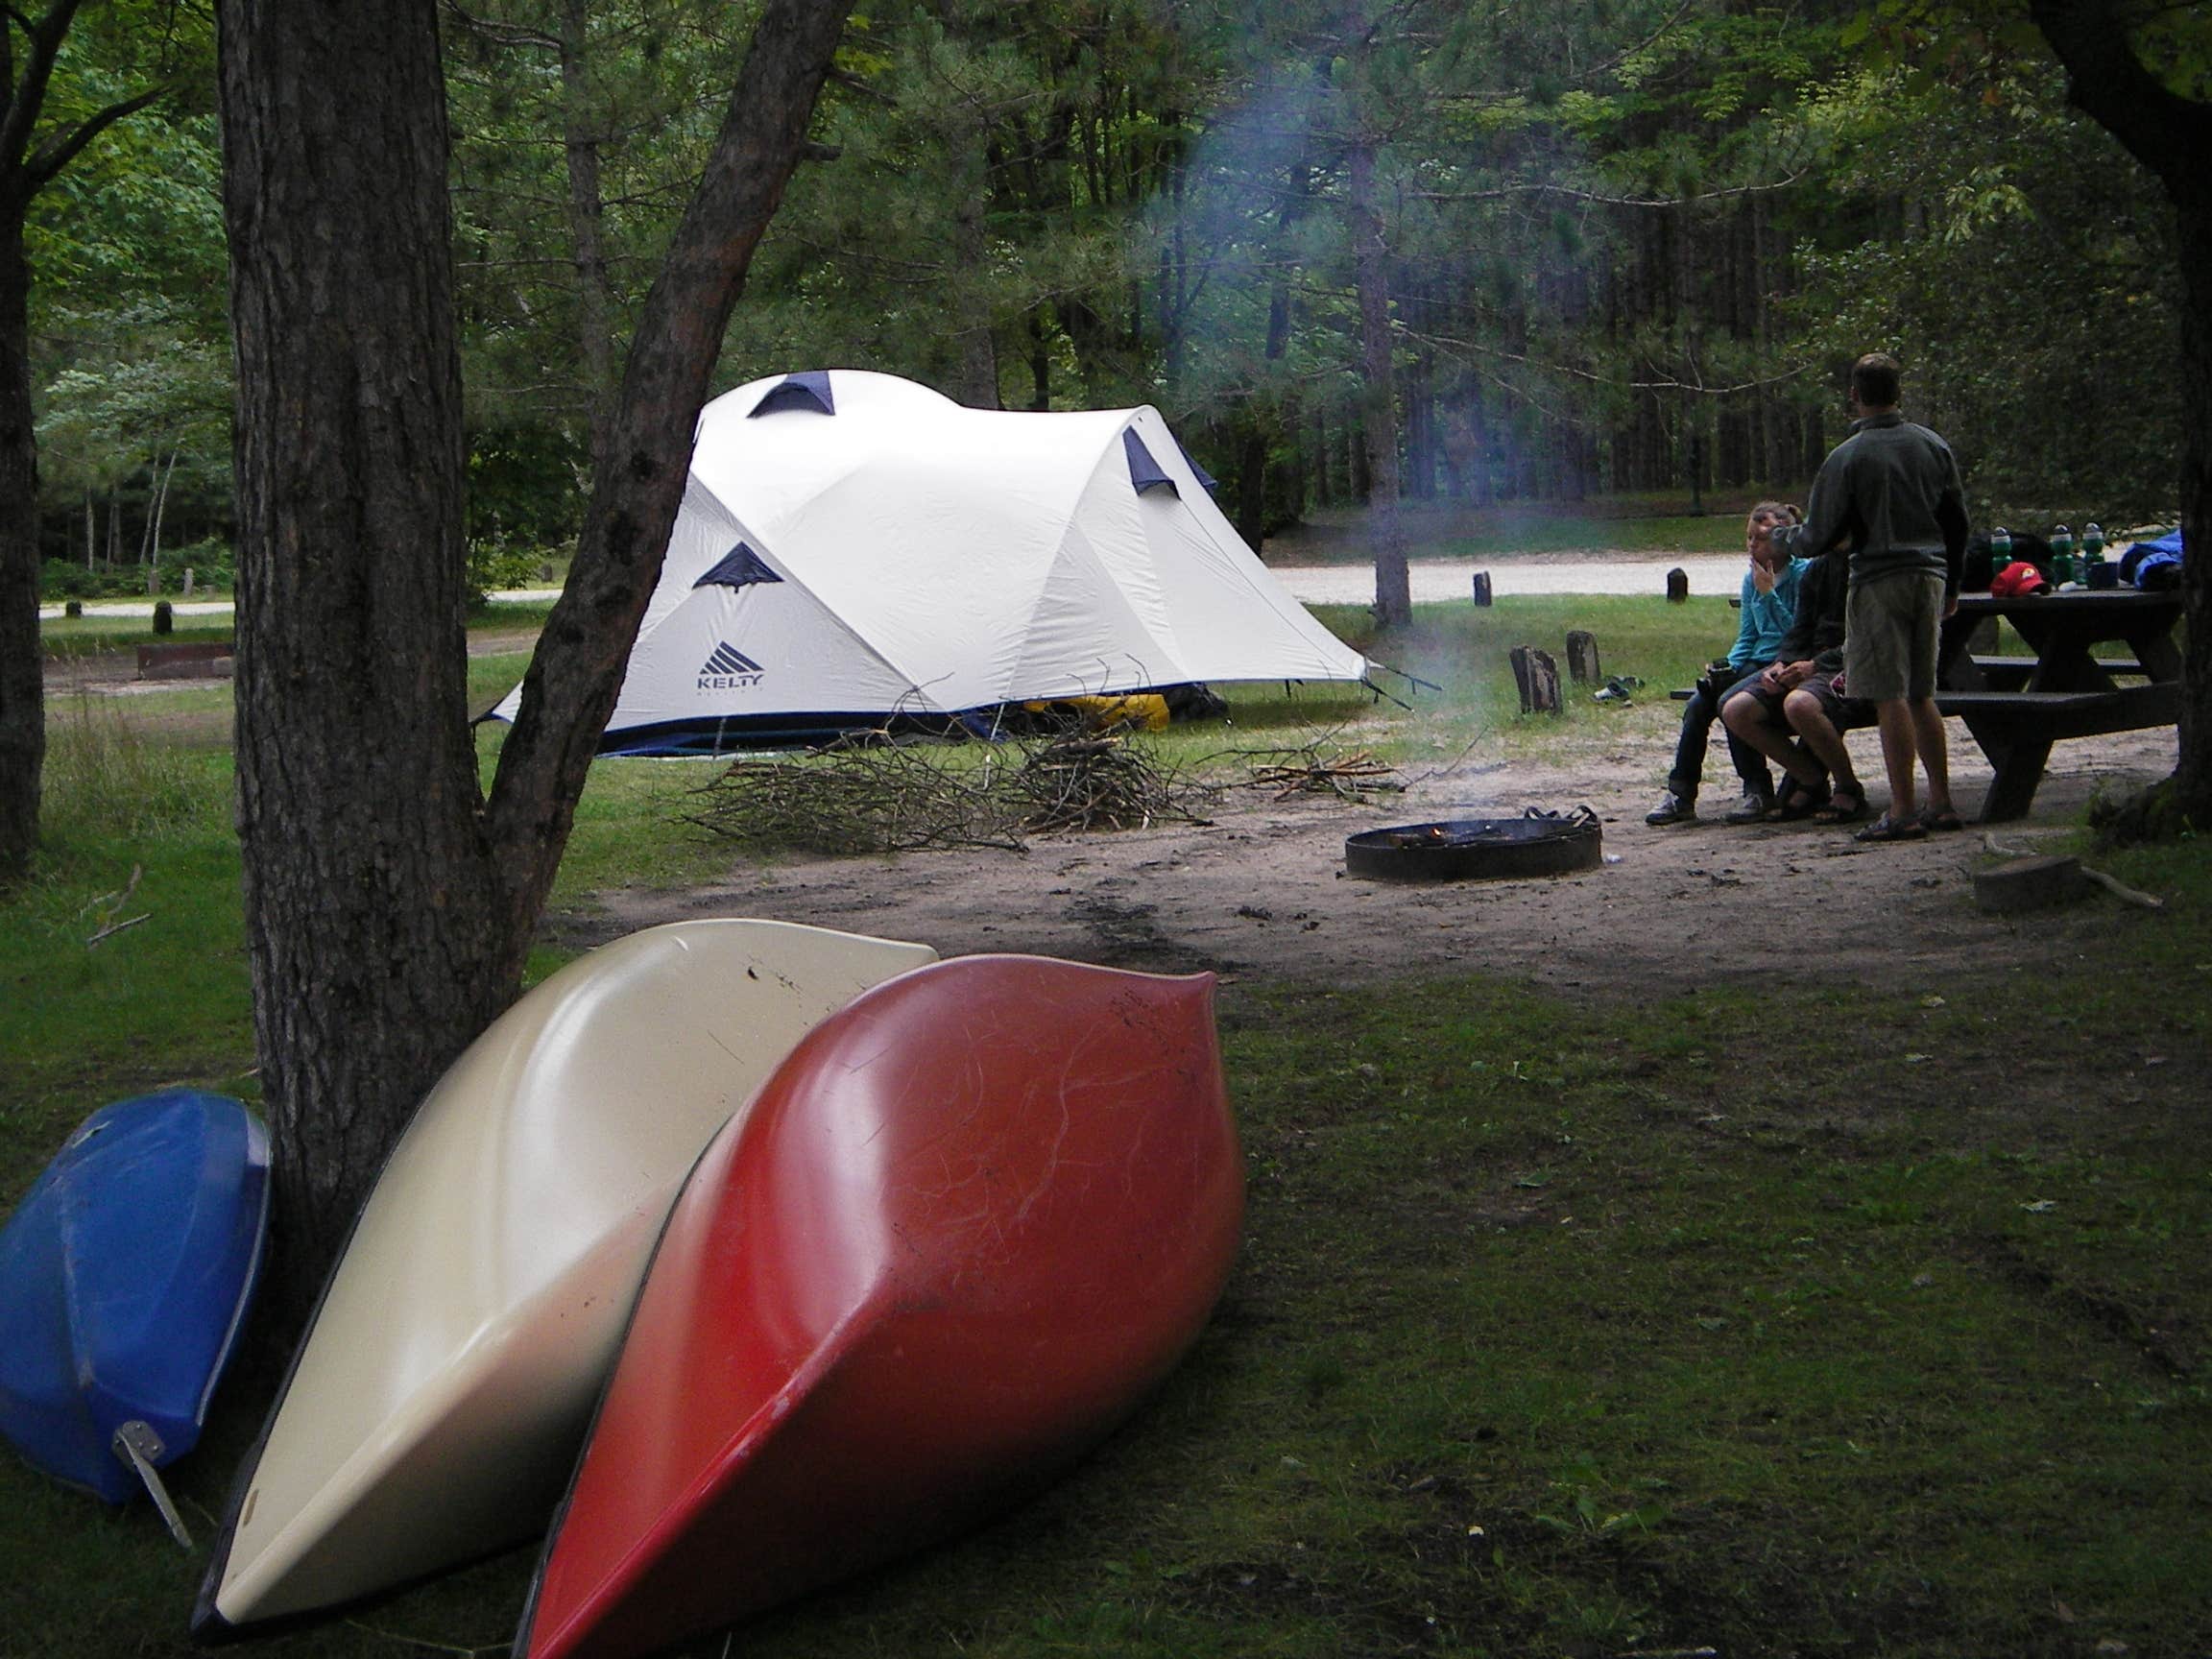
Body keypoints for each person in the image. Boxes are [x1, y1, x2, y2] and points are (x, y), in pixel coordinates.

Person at [1768, 353, 1968, 842]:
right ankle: (1939, 801)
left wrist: (1785, 540)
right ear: (1898, 392)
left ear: (1855, 396)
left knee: (1889, 694)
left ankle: (1901, 809)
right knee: (1922, 693)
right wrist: (1954, 585)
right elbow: (1958, 521)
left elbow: (1817, 536)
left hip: (1879, 581)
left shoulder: (1847, 457)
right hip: (1930, 578)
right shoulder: (1932, 446)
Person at [1645, 501, 1807, 826]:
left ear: (1782, 540)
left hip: (1786, 664)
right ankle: (1681, 793)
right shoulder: (1751, 579)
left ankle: (1757, 790)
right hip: (1754, 662)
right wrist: (1725, 666)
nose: (1751, 546)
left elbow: (1798, 634)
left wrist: (1770, 594)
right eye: (1748, 538)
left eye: (1759, 539)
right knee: (1698, 704)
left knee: (1729, 700)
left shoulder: (1804, 574)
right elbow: (1748, 636)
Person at [1719, 550, 1872, 823]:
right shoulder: (1819, 568)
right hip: (1808, 660)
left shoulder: (1870, 566)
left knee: (1799, 704)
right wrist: (1781, 663)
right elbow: (1800, 628)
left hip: (1851, 664)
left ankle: (1848, 786)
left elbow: (1870, 638)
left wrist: (1817, 664)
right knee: (1736, 709)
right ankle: (1811, 781)